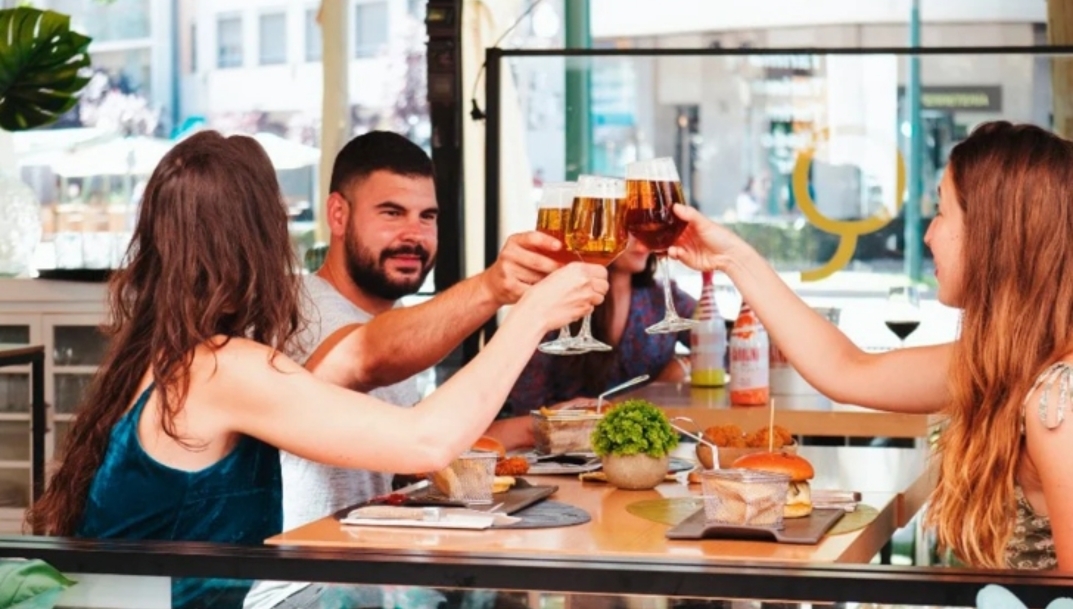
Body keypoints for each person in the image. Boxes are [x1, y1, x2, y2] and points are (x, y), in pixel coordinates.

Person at [26, 131, 608, 609]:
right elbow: (426, 443)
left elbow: (352, 361)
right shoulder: (220, 368)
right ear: (257, 240)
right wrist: (530, 316)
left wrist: (496, 289)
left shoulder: (162, 357)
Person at [666, 121, 1073, 571]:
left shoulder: (1059, 397)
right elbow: (845, 369)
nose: (927, 234)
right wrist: (732, 258)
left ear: (993, 237)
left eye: (941, 212)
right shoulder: (1006, 364)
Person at [245, 131, 565, 609]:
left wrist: (546, 427)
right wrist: (497, 287)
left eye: (427, 217)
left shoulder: (396, 323)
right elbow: (368, 355)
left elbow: (415, 447)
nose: (413, 235)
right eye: (391, 213)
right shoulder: (299, 307)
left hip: (369, 566)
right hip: (300, 586)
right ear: (338, 214)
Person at [496, 237, 696, 447]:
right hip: (563, 453)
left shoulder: (662, 298)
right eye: (628, 234)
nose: (643, 244)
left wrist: (684, 364)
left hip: (645, 447)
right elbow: (527, 406)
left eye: (645, 233)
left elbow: (724, 345)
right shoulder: (555, 302)